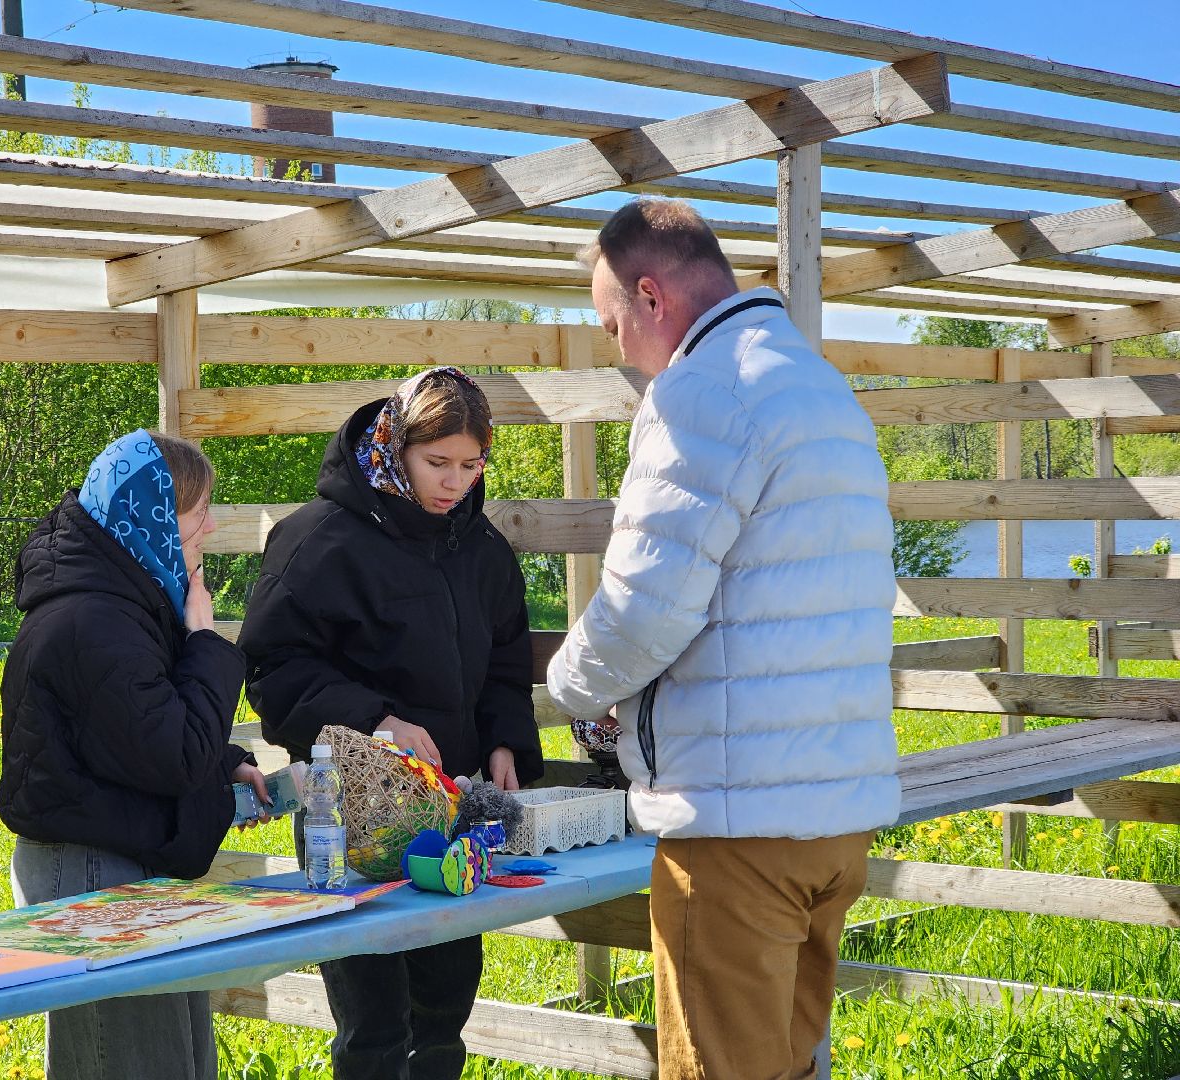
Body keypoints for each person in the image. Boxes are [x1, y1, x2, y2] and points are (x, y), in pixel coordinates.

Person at [546, 197, 900, 1080]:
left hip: (738, 825)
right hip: (834, 814)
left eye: (612, 322)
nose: (618, 349)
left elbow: (642, 612)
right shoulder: (817, 384)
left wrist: (568, 688)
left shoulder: (702, 392)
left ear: (653, 296)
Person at [239, 367, 544, 1080]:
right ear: (395, 447)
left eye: (472, 466)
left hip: (451, 812)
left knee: (443, 1015)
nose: (455, 482)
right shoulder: (317, 540)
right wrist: (378, 720)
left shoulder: (483, 548)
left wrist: (505, 738)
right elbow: (274, 669)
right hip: (346, 821)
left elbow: (504, 662)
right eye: (437, 463)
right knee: (374, 1025)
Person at [0, 428, 265, 1080]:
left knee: (174, 1060)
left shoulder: (116, 607)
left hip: (117, 856)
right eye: (195, 510)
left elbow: (130, 734)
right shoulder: (96, 620)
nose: (209, 526)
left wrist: (221, 758)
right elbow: (169, 754)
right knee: (130, 1064)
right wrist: (204, 639)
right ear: (148, 515)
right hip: (95, 872)